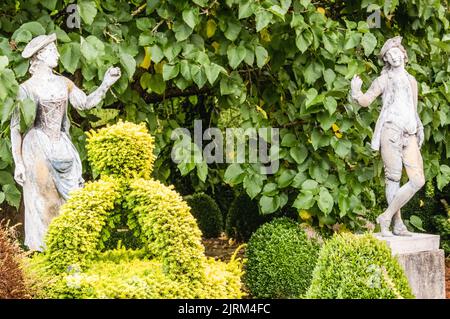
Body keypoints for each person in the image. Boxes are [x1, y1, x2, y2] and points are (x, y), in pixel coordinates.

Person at [10, 33, 121, 251]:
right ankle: (46, 253)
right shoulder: (26, 89)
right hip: (37, 147)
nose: (58, 55)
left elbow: (86, 103)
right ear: (40, 56)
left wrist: (105, 84)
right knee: (43, 201)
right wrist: (19, 162)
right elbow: (15, 127)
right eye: (53, 51)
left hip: (61, 146)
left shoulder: (64, 83)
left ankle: (70, 249)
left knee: (71, 200)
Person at [350, 36, 425, 237]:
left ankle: (386, 216)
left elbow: (413, 107)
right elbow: (367, 100)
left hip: (409, 133)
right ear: (386, 60)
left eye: (396, 52)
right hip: (390, 132)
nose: (394, 56)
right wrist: (356, 93)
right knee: (393, 179)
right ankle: (397, 224)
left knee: (418, 180)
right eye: (389, 54)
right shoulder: (383, 79)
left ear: (403, 54)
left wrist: (419, 126)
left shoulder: (412, 80)